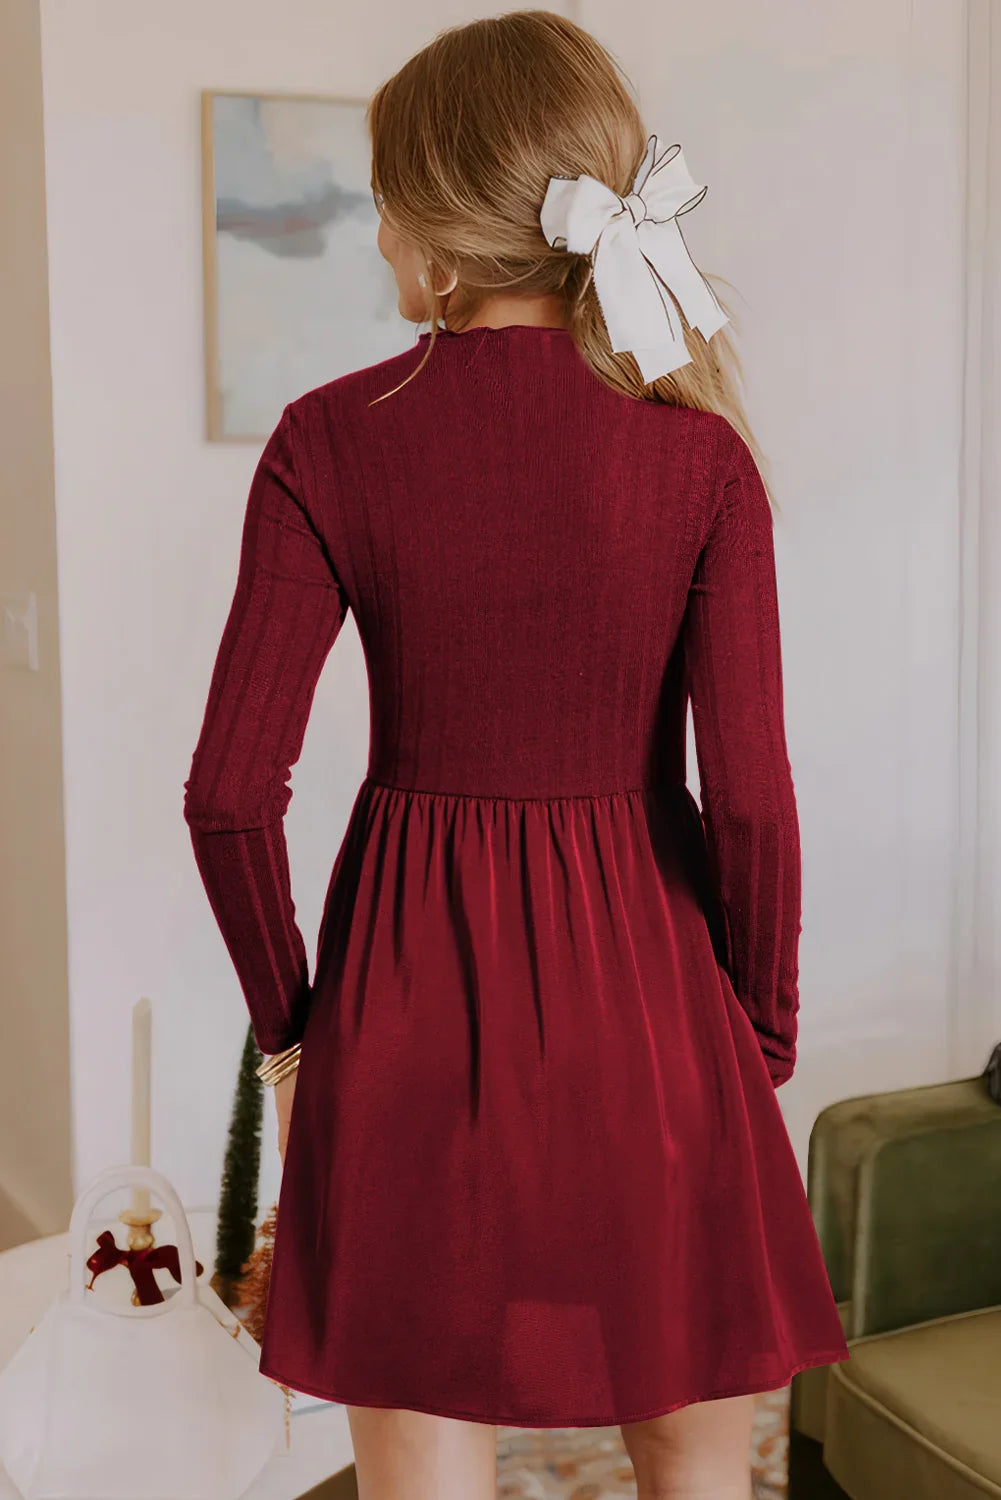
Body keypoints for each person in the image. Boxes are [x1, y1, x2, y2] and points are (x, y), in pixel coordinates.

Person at [183, 11, 850, 1498]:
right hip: (659, 1005)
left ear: (436, 226)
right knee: (697, 1478)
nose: (375, 243)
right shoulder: (698, 455)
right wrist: (758, 1031)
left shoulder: (327, 441)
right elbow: (749, 800)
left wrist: (296, 1034)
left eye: (382, 205)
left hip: (404, 1013)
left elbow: (229, 798)